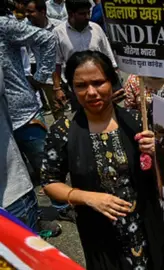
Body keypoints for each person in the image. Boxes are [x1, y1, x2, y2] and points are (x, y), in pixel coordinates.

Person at [40, 51, 164, 270]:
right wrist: (87, 197)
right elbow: (49, 182)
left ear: (112, 82)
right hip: (100, 236)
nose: (91, 92)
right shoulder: (63, 131)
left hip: (145, 230)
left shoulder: (138, 123)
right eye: (81, 85)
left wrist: (156, 154)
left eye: (98, 82)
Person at [0, 0, 63, 235]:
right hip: (2, 124)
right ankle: (32, 221)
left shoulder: (4, 25)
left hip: (23, 113)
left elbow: (47, 39)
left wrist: (41, 76)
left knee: (45, 164)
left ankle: (63, 205)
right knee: (12, 177)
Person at [0, 66, 60, 238]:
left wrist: (38, 81)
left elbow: (46, 38)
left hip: (10, 195)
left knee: (46, 165)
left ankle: (60, 207)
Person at [25, 0, 65, 120]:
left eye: (31, 11)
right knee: (58, 111)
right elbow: (24, 54)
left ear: (42, 11)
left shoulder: (59, 26)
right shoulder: (26, 30)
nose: (27, 14)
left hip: (66, 73)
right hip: (49, 79)